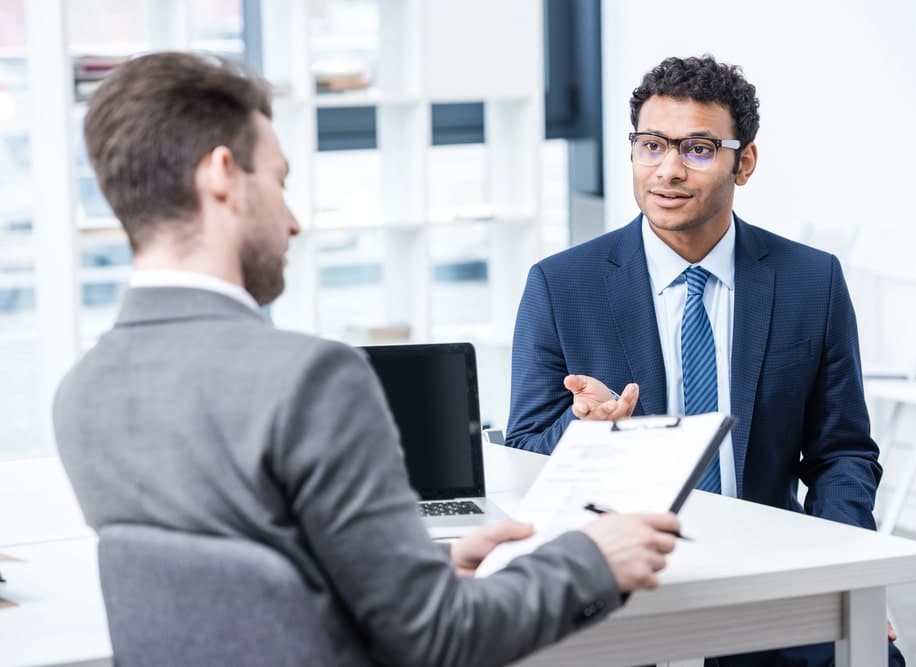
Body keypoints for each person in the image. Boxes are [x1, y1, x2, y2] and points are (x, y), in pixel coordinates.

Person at [52, 52, 684, 667]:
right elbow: (440, 640)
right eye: (279, 181)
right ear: (221, 175)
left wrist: (426, 575)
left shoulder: (83, 392)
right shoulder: (309, 380)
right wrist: (591, 558)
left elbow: (248, 605)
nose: (293, 221)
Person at [505, 55, 904, 666]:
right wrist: (584, 432)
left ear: (743, 161)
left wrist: (848, 572)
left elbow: (842, 453)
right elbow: (523, 454)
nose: (668, 170)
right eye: (652, 145)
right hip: (618, 580)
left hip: (769, 570)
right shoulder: (562, 285)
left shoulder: (810, 281)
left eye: (697, 148)